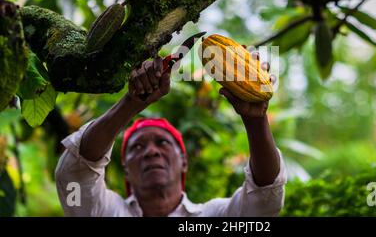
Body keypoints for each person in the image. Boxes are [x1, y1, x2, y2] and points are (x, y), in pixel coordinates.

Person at [55, 54, 287, 217]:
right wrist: (130, 103)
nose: (151, 152)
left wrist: (256, 120)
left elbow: (264, 202)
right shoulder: (103, 212)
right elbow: (75, 174)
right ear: (125, 167)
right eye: (137, 147)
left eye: (163, 142)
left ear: (183, 161)